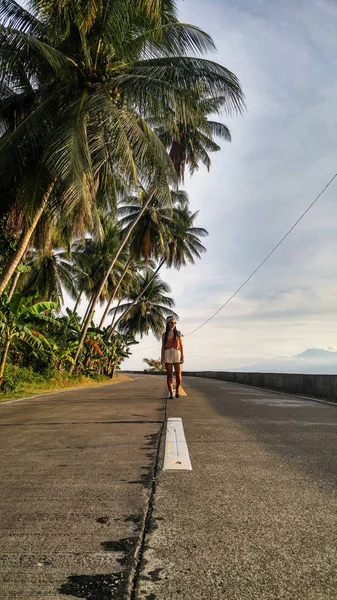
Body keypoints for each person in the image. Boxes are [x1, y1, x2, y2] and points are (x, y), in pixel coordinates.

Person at [161, 315, 184, 399]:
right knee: (169, 375)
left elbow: (181, 346)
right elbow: (163, 346)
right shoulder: (164, 335)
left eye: (174, 322)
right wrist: (162, 357)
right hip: (168, 353)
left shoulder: (178, 333)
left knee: (178, 376)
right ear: (168, 324)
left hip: (177, 353)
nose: (173, 324)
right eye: (171, 323)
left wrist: (182, 356)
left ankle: (177, 390)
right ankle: (171, 393)